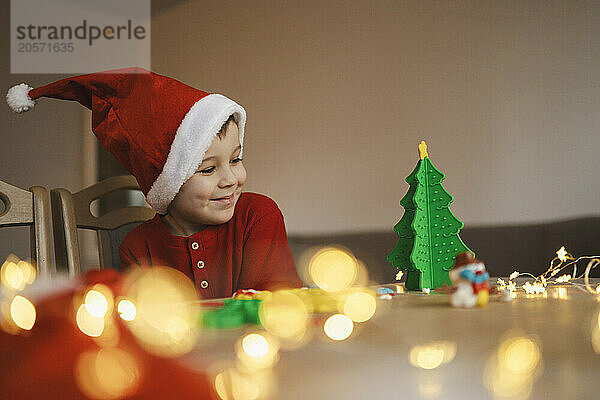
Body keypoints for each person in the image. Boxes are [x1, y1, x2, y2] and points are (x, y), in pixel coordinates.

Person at [7, 67, 302, 298]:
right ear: (168, 184)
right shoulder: (137, 246)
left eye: (236, 160)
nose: (231, 179)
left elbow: (274, 308)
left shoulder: (258, 215)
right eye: (209, 169)